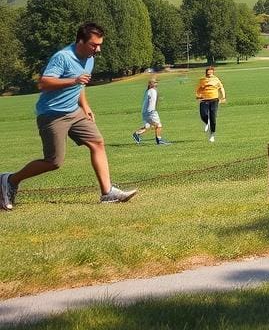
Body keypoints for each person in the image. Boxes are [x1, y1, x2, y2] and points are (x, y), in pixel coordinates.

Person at [0, 22, 137, 209]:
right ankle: (10, 180)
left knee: (97, 142)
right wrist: (74, 80)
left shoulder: (89, 58)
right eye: (94, 45)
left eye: (100, 45)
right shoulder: (63, 57)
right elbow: (44, 83)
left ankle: (108, 193)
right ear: (80, 41)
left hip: (75, 111)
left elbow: (80, 85)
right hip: (52, 114)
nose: (98, 49)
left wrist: (85, 106)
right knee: (54, 162)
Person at [132, 78, 170, 145]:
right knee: (159, 125)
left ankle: (136, 134)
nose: (156, 83)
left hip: (144, 112)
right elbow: (152, 101)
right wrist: (152, 111)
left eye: (157, 82)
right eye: (155, 82)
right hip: (151, 111)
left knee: (148, 126)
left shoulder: (148, 91)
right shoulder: (152, 91)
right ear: (151, 84)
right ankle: (159, 140)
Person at [195, 66, 226, 143]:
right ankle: (207, 123)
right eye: (208, 73)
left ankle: (212, 135)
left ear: (213, 72)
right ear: (206, 73)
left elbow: (221, 88)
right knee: (203, 115)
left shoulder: (216, 80)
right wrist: (198, 96)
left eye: (211, 72)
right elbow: (198, 89)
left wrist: (223, 97)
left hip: (214, 99)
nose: (210, 74)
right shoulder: (202, 80)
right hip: (204, 99)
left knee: (213, 117)